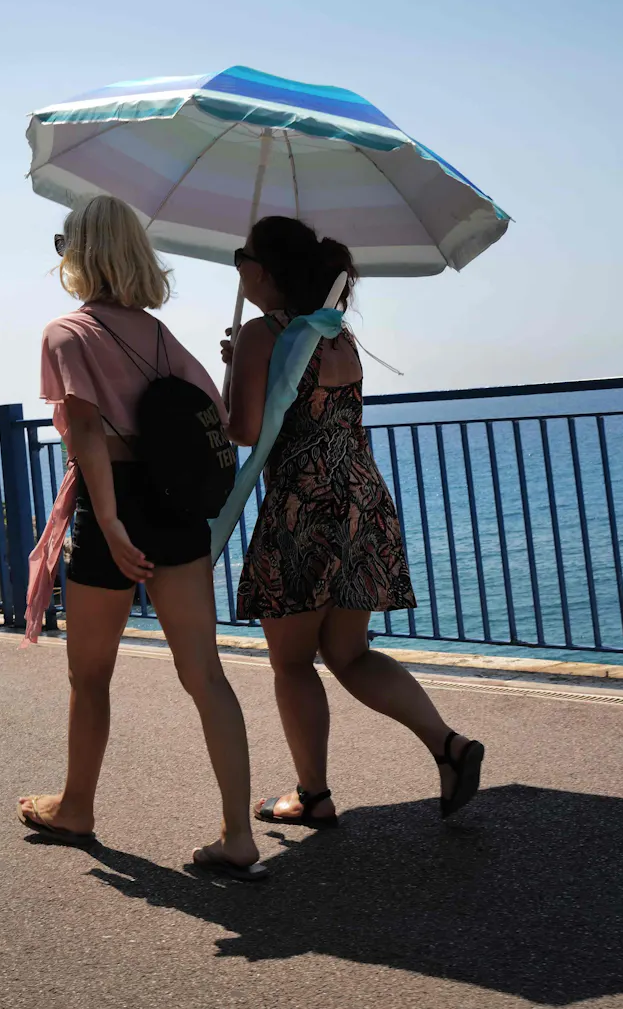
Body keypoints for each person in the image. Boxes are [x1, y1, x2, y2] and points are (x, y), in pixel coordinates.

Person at [18, 194, 266, 881]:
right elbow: (214, 414)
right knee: (205, 673)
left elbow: (89, 434)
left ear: (81, 253)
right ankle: (238, 832)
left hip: (115, 507)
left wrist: (115, 524)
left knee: (90, 674)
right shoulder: (158, 336)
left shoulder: (66, 333)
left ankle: (77, 807)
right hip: (177, 506)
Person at [221, 216, 485, 827]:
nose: (239, 268)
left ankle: (313, 796)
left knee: (292, 662)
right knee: (350, 653)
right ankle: (449, 746)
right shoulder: (337, 335)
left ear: (263, 270)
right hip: (361, 502)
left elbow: (244, 430)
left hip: (303, 510)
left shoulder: (267, 334)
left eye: (242, 257)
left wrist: (236, 365)